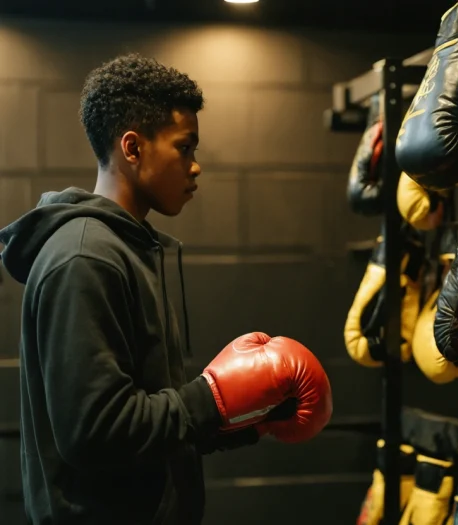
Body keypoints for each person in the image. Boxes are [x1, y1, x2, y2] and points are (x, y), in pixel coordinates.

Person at [0, 54, 332, 525]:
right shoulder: (84, 258)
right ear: (132, 148)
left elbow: (151, 419)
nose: (195, 168)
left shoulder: (128, 250)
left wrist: (245, 420)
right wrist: (213, 398)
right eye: (184, 148)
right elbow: (96, 431)